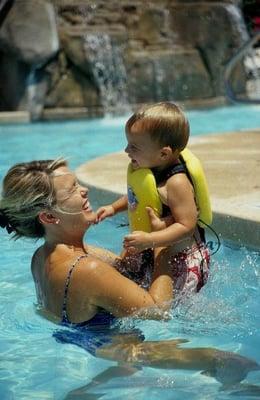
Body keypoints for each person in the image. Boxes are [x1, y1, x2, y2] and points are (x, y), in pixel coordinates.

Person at [0, 158, 258, 388]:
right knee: (231, 361)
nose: (84, 189)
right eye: (73, 190)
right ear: (48, 216)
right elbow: (159, 311)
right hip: (123, 348)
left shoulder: (43, 256)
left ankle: (104, 383)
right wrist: (162, 243)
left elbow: (114, 276)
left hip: (87, 342)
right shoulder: (86, 268)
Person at [96, 102, 210, 295]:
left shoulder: (177, 183)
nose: (126, 150)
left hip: (181, 258)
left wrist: (150, 239)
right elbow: (138, 196)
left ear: (163, 153)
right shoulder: (152, 167)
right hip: (155, 247)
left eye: (134, 146)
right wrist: (113, 208)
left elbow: (186, 226)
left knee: (173, 309)